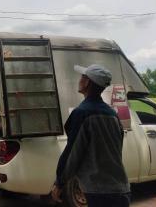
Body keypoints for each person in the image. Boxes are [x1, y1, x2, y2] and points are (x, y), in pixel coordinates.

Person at [51, 64, 130, 206]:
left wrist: (59, 182)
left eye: (82, 76)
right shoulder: (112, 114)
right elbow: (117, 150)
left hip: (99, 191)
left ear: (87, 82)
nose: (79, 80)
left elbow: (72, 152)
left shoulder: (81, 113)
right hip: (121, 188)